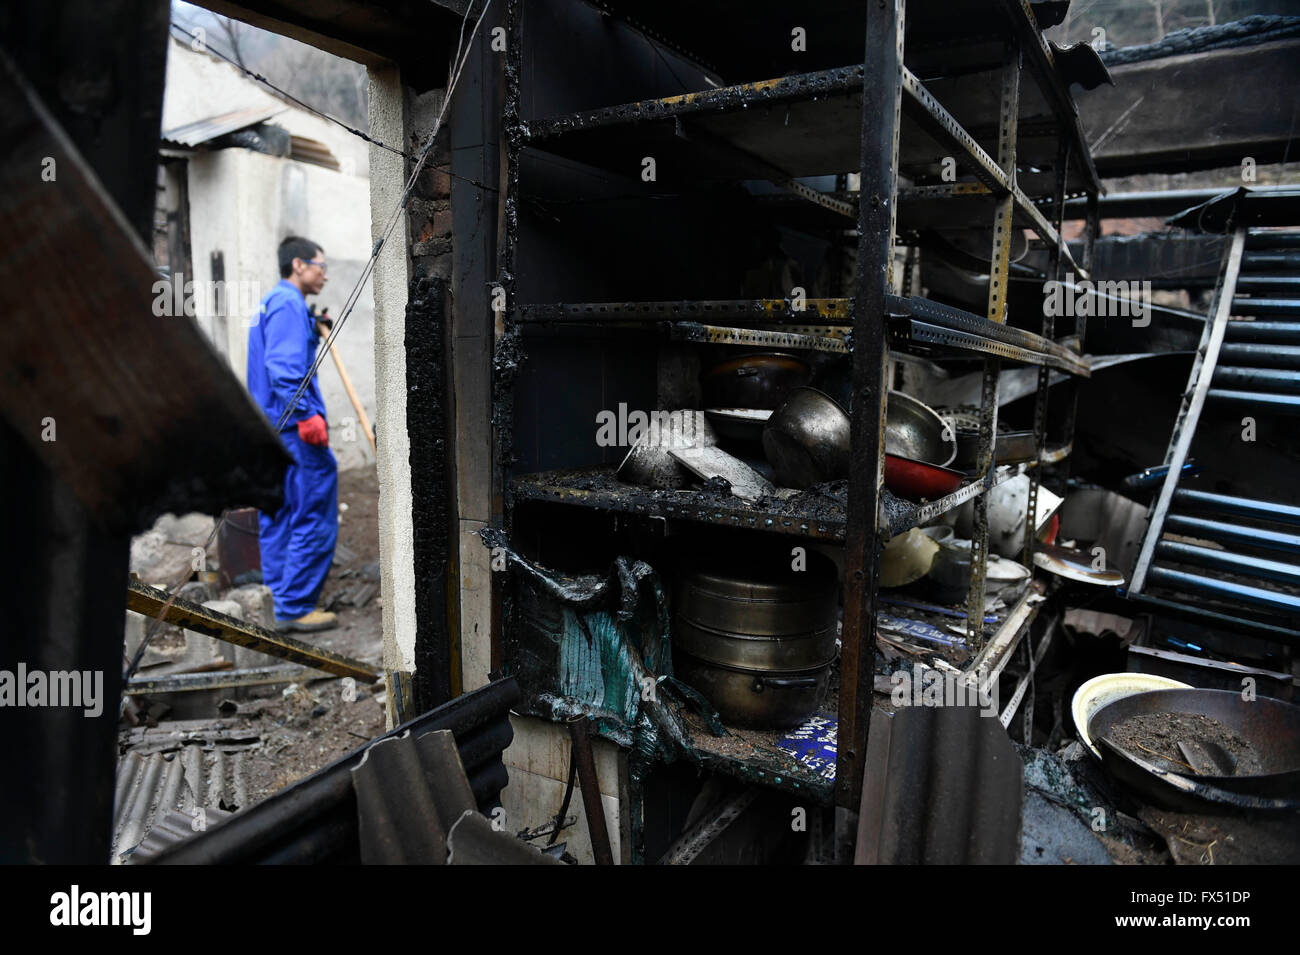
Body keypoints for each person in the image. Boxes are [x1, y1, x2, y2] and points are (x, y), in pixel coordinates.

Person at [247, 236, 339, 632]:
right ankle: (294, 605)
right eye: (320, 265)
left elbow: (280, 354)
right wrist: (306, 415)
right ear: (298, 265)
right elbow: (283, 369)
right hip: (293, 427)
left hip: (270, 427)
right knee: (312, 509)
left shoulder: (274, 302)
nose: (325, 273)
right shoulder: (288, 303)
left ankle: (277, 600)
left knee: (279, 513)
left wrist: (310, 330)